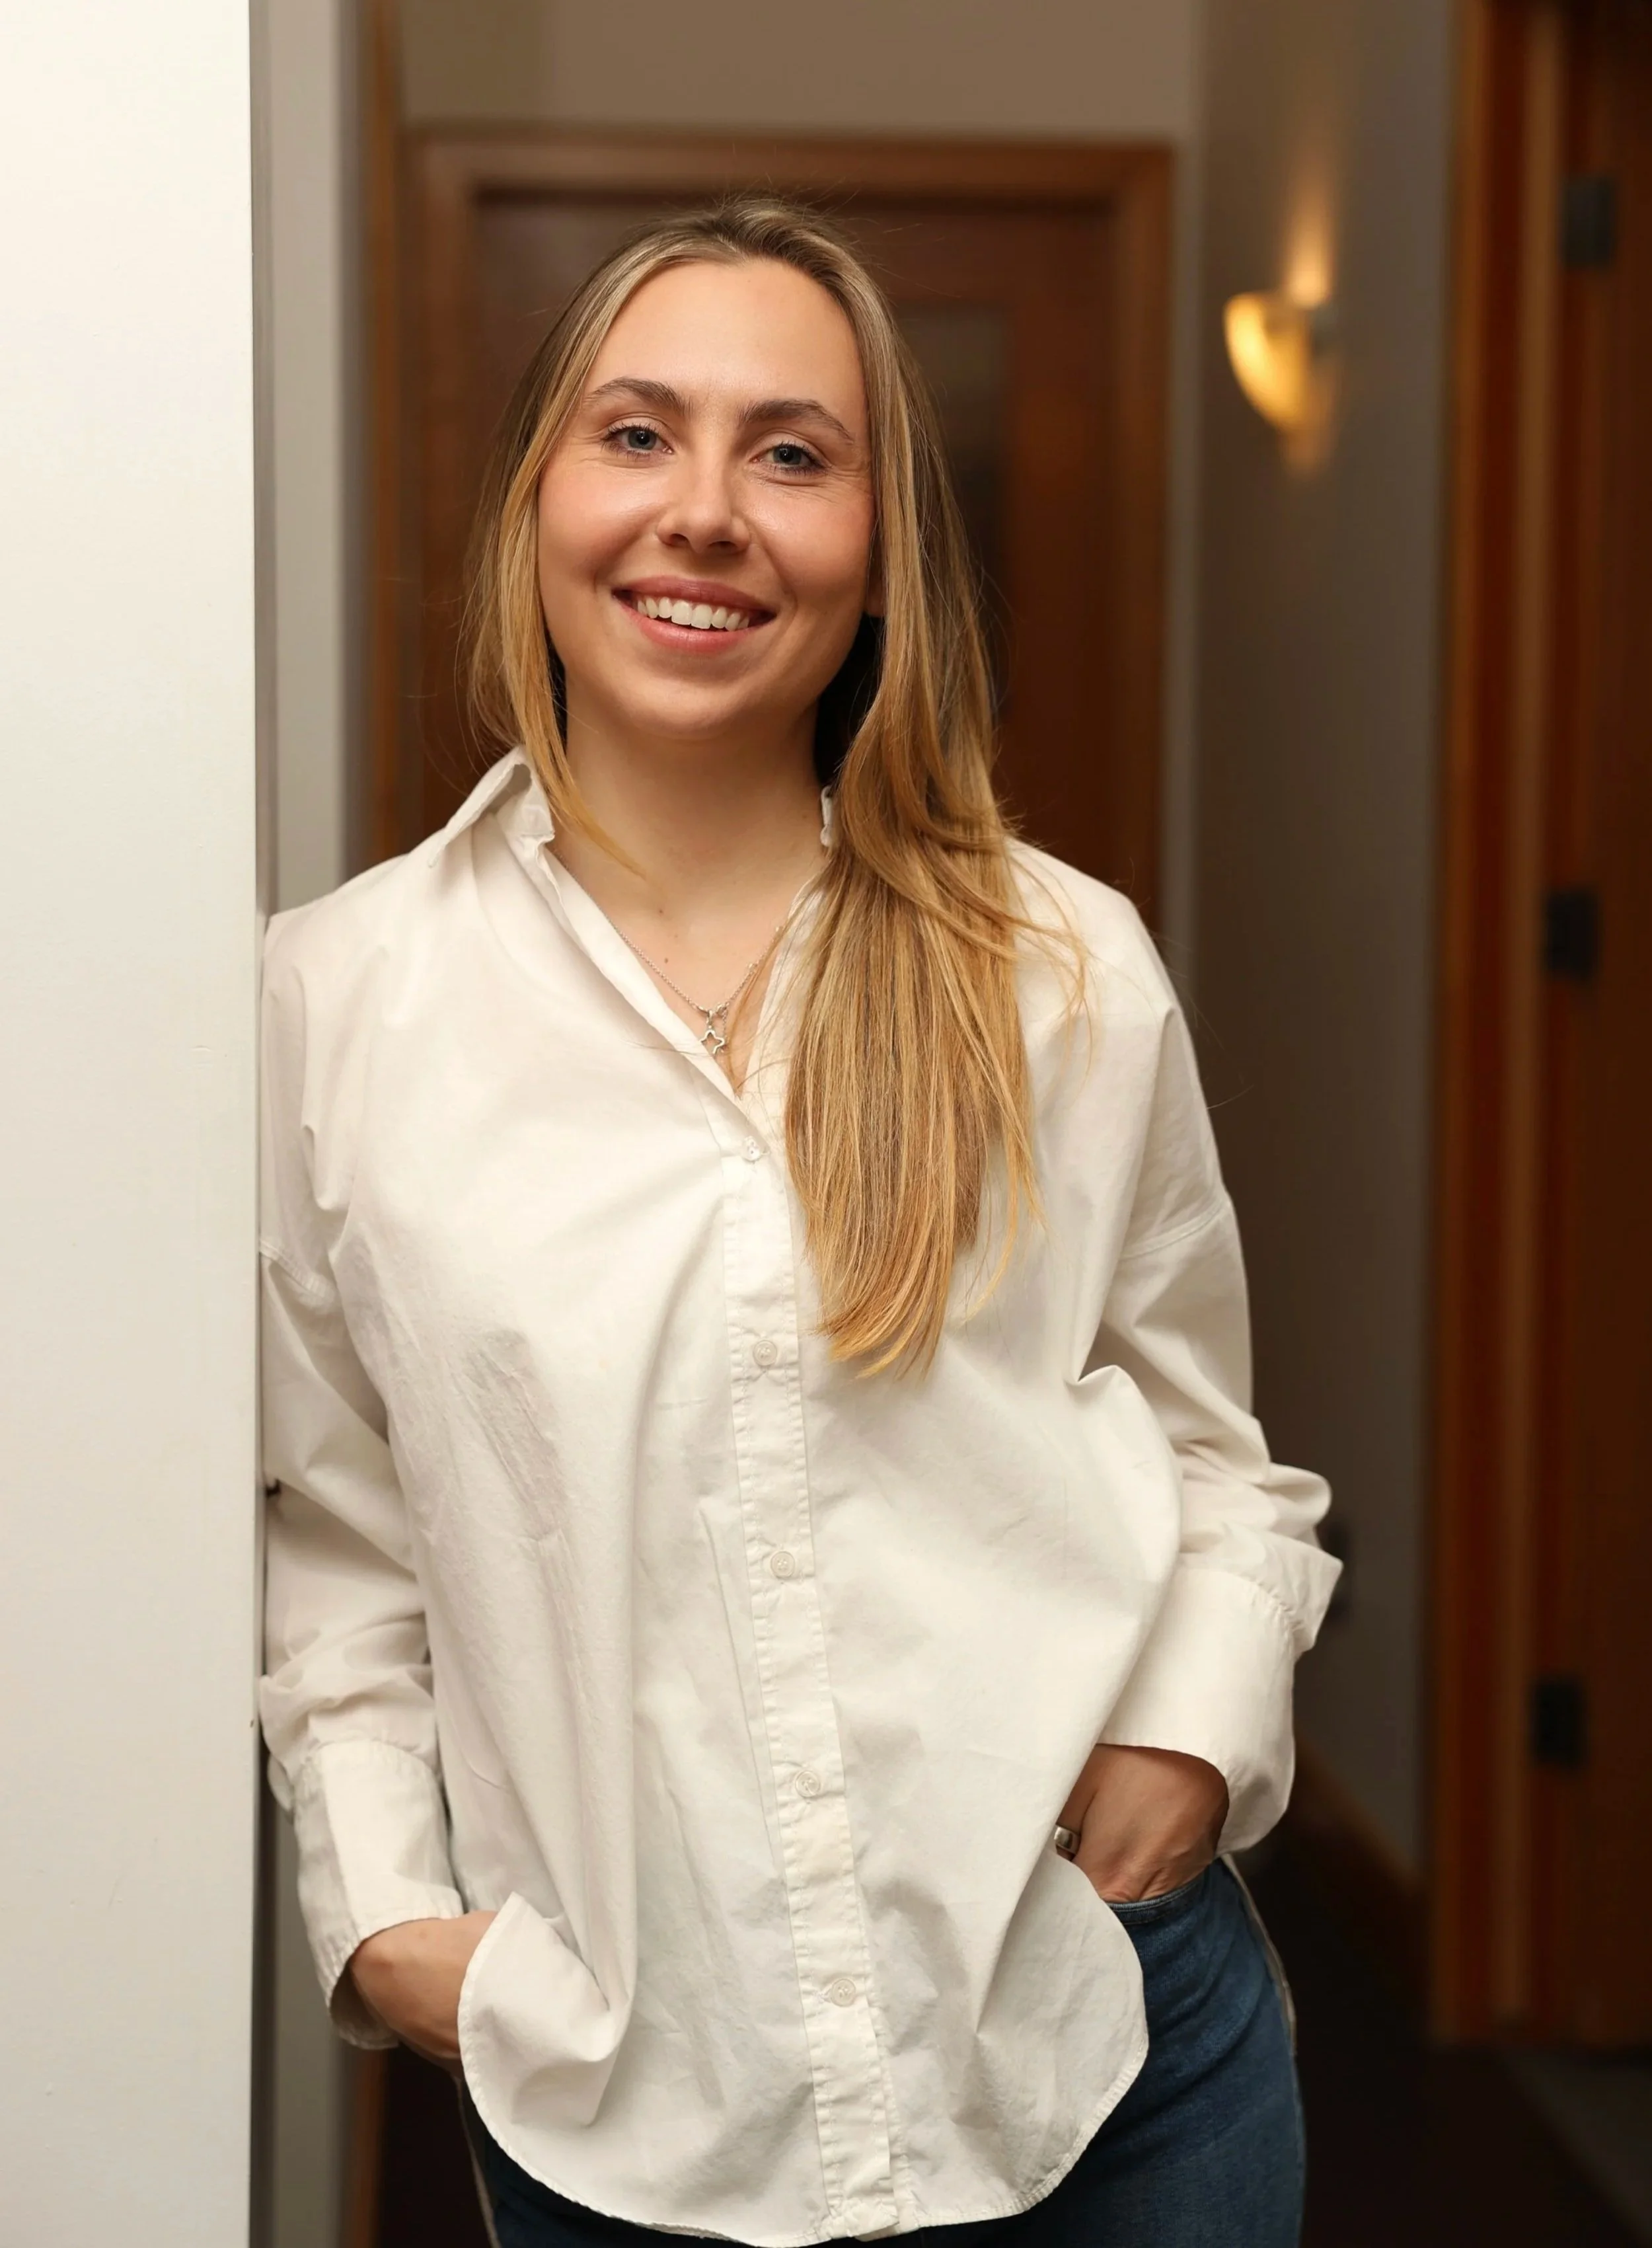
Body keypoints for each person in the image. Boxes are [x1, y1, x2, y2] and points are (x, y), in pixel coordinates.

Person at [259, 198, 1339, 2248]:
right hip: (625, 2107)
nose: (706, 515)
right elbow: (336, 1536)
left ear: (875, 547)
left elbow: (1209, 1452)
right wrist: (394, 1911)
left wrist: (1187, 1734)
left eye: (791, 453)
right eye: (637, 434)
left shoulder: (1056, 968)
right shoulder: (336, 1003)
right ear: (536, 503)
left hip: (1100, 2051)